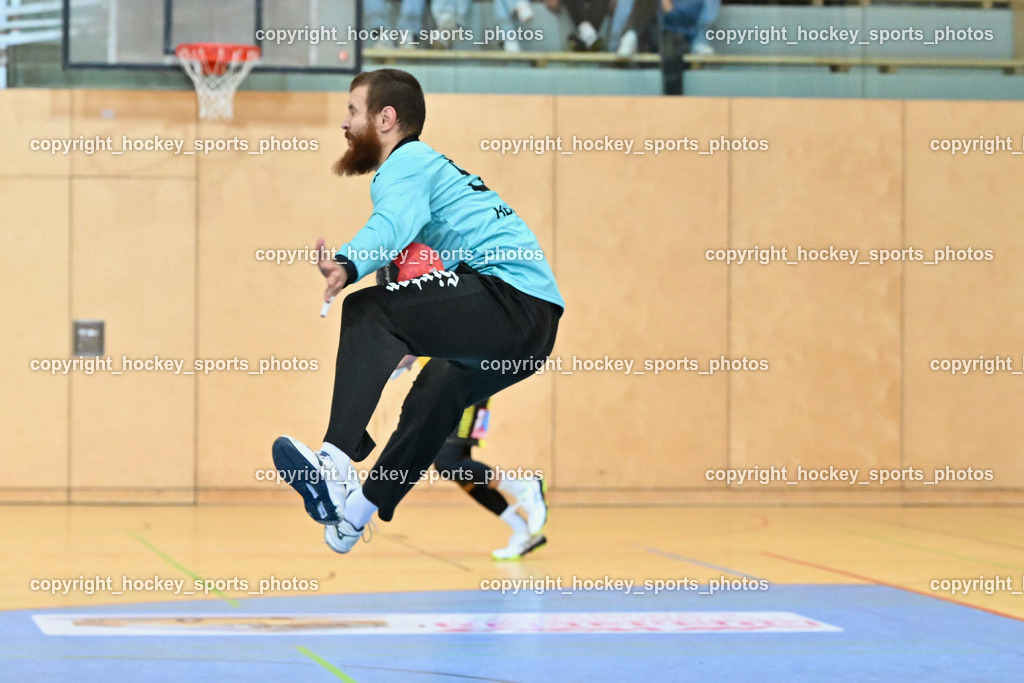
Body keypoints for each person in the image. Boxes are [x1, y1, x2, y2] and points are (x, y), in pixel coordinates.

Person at [271, 68, 565, 554]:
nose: (344, 124)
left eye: (352, 111)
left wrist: (347, 263)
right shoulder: (434, 175)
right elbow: (421, 270)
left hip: (512, 299)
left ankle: (334, 464)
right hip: (532, 331)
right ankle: (352, 519)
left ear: (386, 119)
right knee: (431, 400)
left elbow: (388, 227)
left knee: (368, 311)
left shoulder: (407, 162)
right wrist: (413, 341)